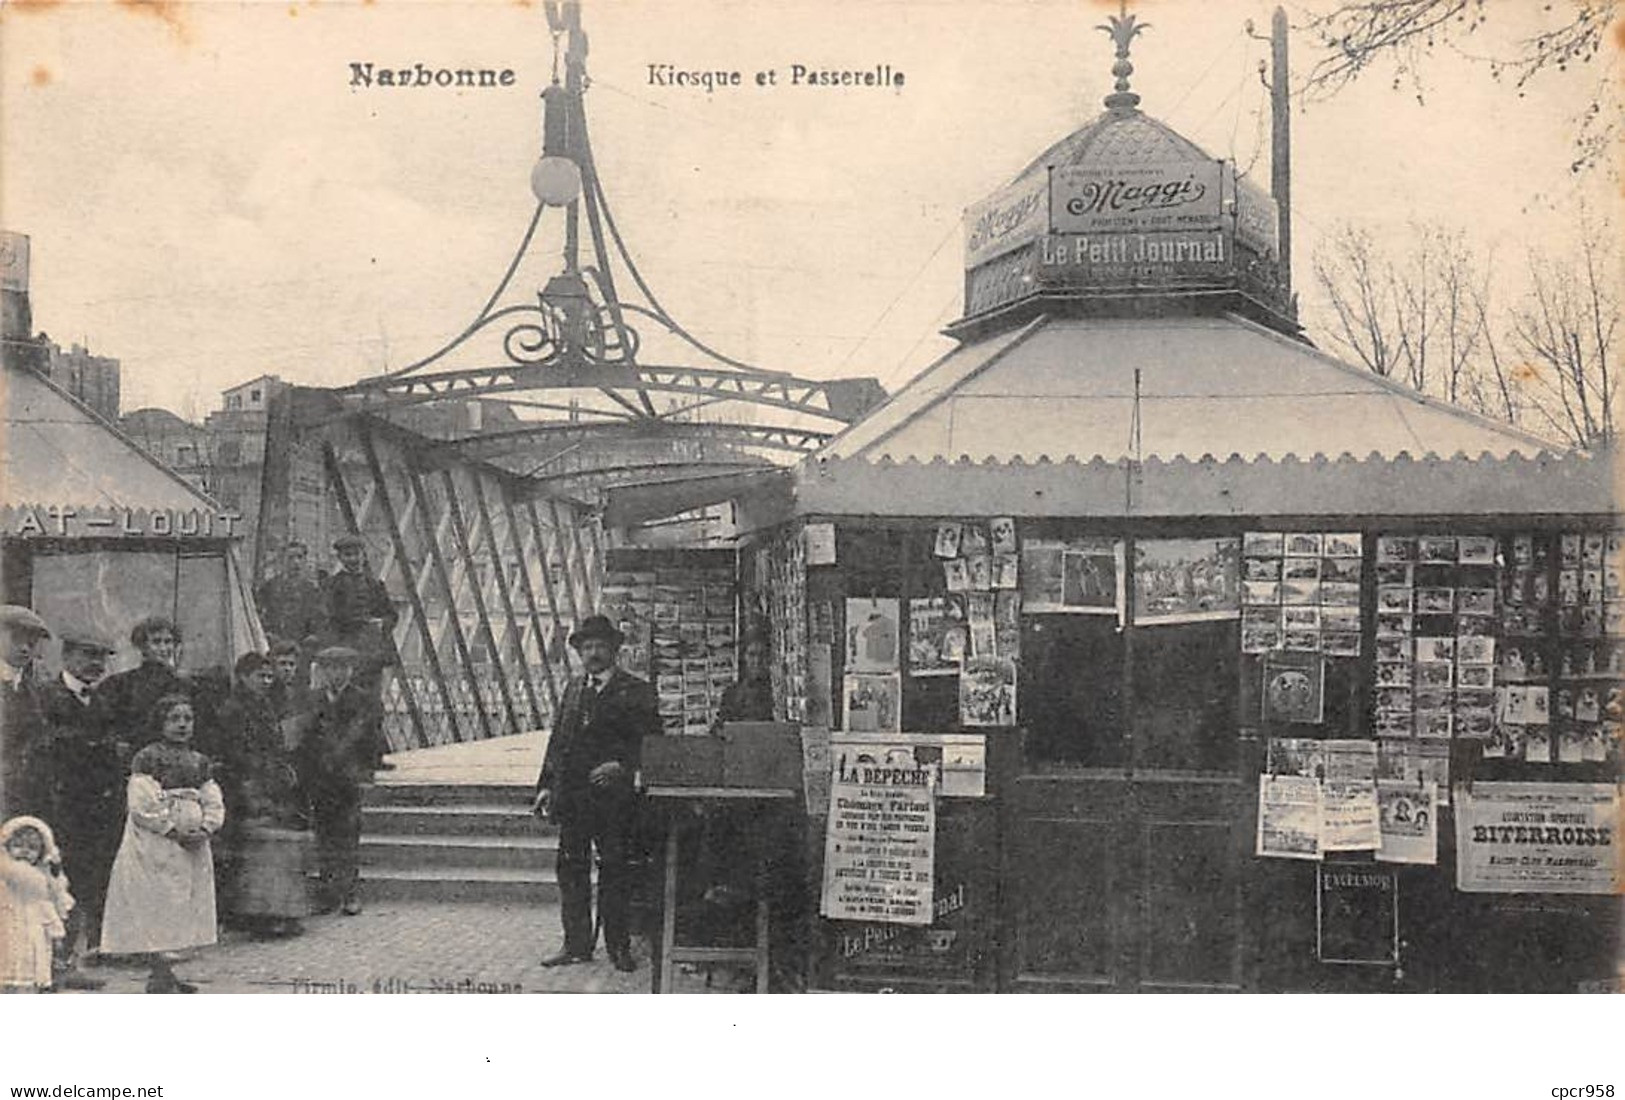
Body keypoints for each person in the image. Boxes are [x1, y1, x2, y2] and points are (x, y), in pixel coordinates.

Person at [533, 615, 659, 973]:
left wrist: (622, 765)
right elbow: (558, 743)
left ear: (614, 650)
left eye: (600, 646)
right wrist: (545, 786)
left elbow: (651, 743)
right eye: (587, 647)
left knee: (615, 871)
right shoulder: (574, 689)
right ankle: (575, 944)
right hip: (573, 799)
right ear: (578, 652)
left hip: (614, 801)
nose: (593, 653)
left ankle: (618, 947)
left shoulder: (636, 691)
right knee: (570, 869)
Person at [100, 694, 225, 993]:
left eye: (187, 719)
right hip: (156, 843)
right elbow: (141, 803)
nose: (182, 724)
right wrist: (171, 830)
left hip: (192, 846)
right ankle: (158, 971)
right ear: (160, 723)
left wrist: (206, 827)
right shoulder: (148, 757)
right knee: (158, 901)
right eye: (174, 719)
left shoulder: (199, 761)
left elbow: (212, 797)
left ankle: (167, 973)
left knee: (183, 902)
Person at [37, 628, 119, 987]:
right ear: (66, 657)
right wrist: (98, 748)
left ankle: (80, 957)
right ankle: (57, 961)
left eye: (102, 658)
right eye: (89, 656)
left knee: (91, 878)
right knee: (59, 880)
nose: (96, 664)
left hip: (97, 808)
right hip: (60, 804)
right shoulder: (46, 697)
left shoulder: (101, 701)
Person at [214, 653, 312, 936]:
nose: (267, 682)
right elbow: (236, 752)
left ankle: (272, 911)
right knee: (251, 849)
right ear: (243, 676)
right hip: (244, 785)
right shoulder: (233, 709)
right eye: (261, 676)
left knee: (267, 849)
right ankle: (253, 914)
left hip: (267, 783)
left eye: (269, 677)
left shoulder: (264, 706)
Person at [295, 646, 378, 917]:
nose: (337, 674)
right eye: (331, 668)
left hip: (347, 777)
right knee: (324, 834)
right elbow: (303, 738)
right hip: (320, 778)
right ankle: (328, 892)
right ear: (323, 671)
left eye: (342, 668)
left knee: (348, 835)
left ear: (351, 670)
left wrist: (364, 772)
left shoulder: (362, 699)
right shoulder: (313, 699)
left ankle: (350, 892)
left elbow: (367, 739)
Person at [321, 535, 397, 768]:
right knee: (347, 704)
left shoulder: (376, 585)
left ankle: (373, 756)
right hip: (346, 656)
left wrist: (381, 623)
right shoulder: (334, 586)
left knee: (373, 705)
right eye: (347, 555)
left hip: (372, 656)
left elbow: (392, 615)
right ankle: (348, 758)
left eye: (356, 554)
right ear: (341, 558)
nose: (353, 559)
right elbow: (328, 618)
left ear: (363, 555)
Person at [0, 815, 74, 993]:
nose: (24, 852)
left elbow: (50, 905)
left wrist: (56, 932)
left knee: (27, 981)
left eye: (32, 848)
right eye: (18, 846)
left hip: (32, 936)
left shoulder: (42, 879)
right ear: (6, 847)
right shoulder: (7, 873)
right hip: (6, 931)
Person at [96, 616, 188, 754]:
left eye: (168, 642)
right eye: (156, 642)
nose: (163, 648)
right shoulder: (119, 684)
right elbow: (105, 725)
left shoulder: (185, 686)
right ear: (142, 646)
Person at [0, 606, 52, 821]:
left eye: (31, 642)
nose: (24, 648)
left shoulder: (33, 688)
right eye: (17, 639)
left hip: (23, 792)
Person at [254, 540, 326, 646]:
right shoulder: (269, 587)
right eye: (290, 558)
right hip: (275, 643)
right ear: (282, 561)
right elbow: (259, 613)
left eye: (299, 557)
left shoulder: (312, 590)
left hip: (303, 643)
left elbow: (320, 618)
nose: (296, 562)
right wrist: (267, 633)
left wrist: (314, 635)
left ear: (305, 560)